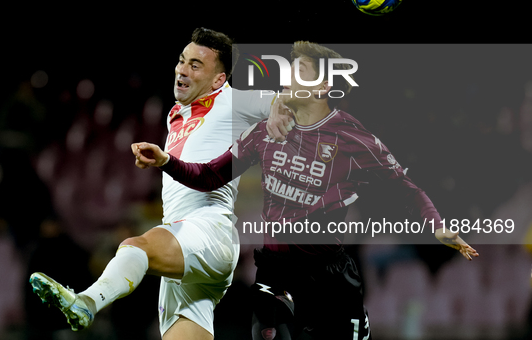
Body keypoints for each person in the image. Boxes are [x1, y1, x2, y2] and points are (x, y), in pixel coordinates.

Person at [133, 41, 479, 339]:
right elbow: (209, 177)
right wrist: (166, 161)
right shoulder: (268, 131)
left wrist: (436, 225)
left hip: (330, 278)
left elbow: (404, 186)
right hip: (275, 273)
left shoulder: (350, 137)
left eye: (298, 72)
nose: (286, 79)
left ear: (322, 86)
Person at [29, 27, 292, 339]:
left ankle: (86, 302)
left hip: (208, 232)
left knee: (135, 245)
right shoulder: (176, 114)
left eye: (196, 65)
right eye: (182, 60)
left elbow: (281, 100)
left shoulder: (232, 100)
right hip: (185, 245)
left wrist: (279, 111)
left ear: (218, 80)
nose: (182, 69)